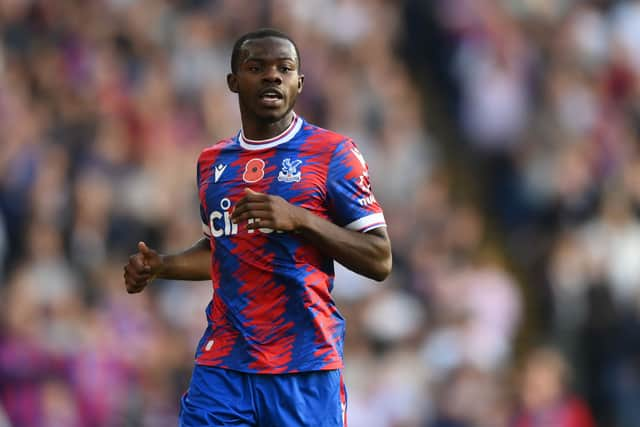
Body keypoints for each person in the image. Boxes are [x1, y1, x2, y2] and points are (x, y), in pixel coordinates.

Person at [123, 28, 392, 427]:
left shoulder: (333, 153)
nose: (272, 76)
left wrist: (299, 219)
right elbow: (225, 250)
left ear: (299, 83)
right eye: (256, 67)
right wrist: (162, 265)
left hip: (303, 364)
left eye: (284, 68)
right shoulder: (213, 163)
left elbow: (379, 258)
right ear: (233, 81)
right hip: (224, 363)